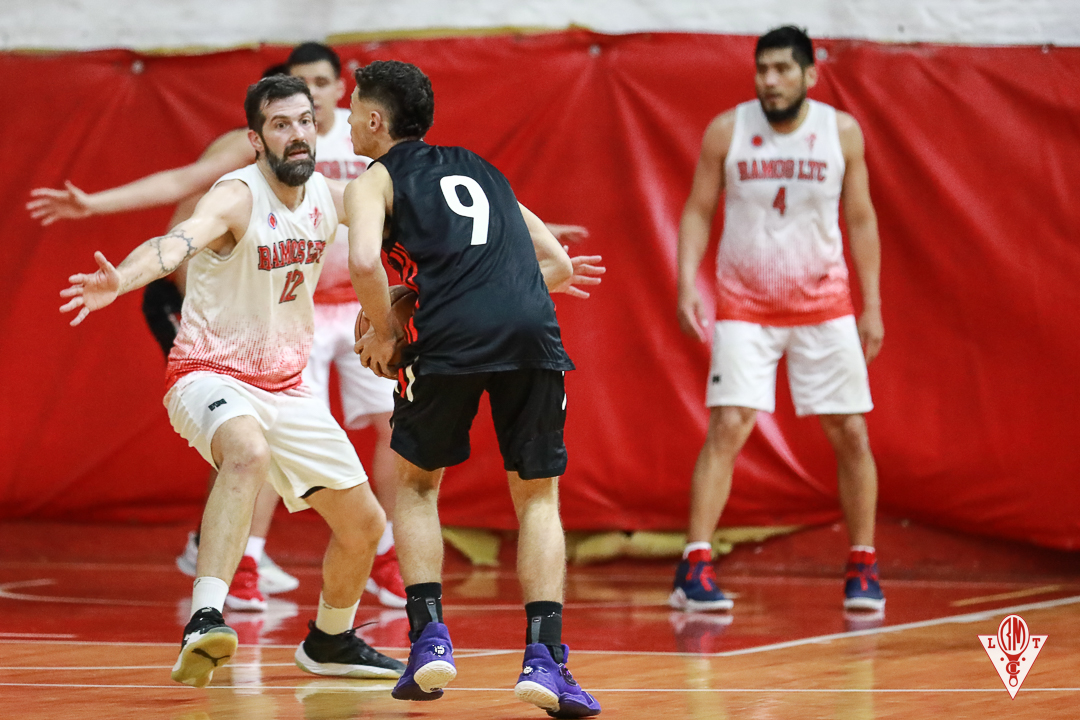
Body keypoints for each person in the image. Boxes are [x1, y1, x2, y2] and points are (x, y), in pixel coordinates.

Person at [59, 75, 406, 688]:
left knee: (367, 526)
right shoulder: (236, 196)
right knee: (246, 452)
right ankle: (205, 619)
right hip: (208, 372)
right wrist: (123, 280)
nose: (297, 135)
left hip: (288, 386)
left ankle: (330, 639)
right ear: (256, 138)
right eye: (280, 125)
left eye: (304, 122)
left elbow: (422, 209)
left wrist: (521, 240)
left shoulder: (331, 195)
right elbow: (175, 243)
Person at [346, 60, 602, 718]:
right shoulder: (483, 169)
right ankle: (545, 659)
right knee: (538, 497)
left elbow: (362, 261)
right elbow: (559, 264)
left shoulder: (375, 177)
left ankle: (429, 642)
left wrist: (387, 330)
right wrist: (494, 296)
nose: (346, 120)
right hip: (530, 331)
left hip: (452, 338)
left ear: (375, 121)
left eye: (352, 109)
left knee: (420, 485)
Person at [29, 63, 297, 612]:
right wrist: (94, 204)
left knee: (267, 428)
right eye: (291, 100)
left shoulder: (317, 167)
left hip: (258, 312)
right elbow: (177, 184)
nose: (301, 115)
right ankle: (223, 552)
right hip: (189, 303)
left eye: (315, 97)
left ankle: (237, 546)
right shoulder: (243, 156)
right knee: (242, 429)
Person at [671, 26, 885, 613]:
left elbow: (862, 220)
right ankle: (694, 564)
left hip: (827, 304)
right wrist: (687, 282)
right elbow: (698, 208)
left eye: (784, 69)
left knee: (850, 431)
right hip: (746, 304)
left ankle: (863, 564)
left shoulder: (840, 132)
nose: (771, 80)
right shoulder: (728, 129)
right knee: (730, 424)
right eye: (763, 69)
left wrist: (873, 306)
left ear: (810, 74)